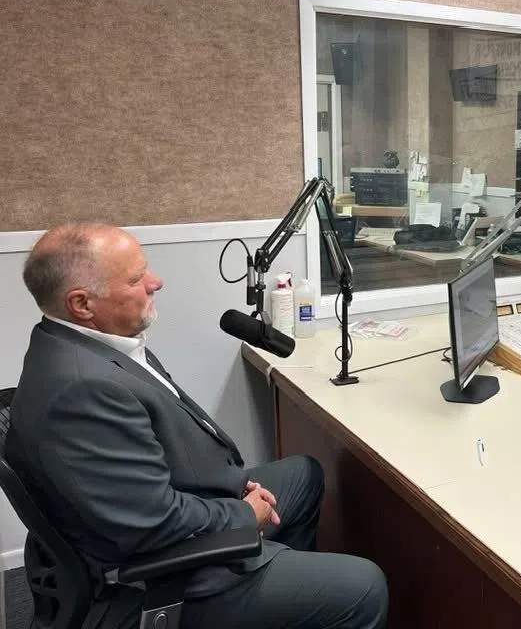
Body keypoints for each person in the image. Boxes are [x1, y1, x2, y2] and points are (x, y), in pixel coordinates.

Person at [7, 223, 388, 629]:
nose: (156, 282)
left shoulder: (88, 344)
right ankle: (272, 589)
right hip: (166, 576)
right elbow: (151, 522)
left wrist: (233, 485)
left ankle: (287, 599)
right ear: (82, 304)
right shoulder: (82, 389)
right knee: (364, 586)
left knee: (304, 474)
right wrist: (242, 514)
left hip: (178, 503)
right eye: (136, 279)